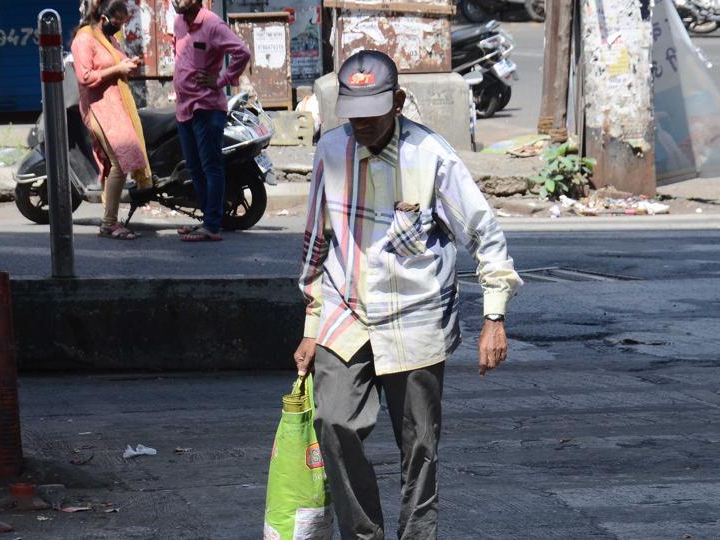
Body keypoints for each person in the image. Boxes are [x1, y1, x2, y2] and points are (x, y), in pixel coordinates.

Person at [293, 50, 523, 539]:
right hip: (344, 311)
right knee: (333, 423)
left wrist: (494, 317)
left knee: (419, 446)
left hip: (416, 319)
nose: (362, 126)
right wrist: (311, 325)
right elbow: (316, 240)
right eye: (353, 115)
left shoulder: (432, 155)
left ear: (397, 103)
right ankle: (364, 534)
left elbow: (484, 233)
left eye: (372, 115)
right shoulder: (330, 151)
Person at [71, 0, 152, 240]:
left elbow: (115, 64)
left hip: (116, 105)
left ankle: (110, 218)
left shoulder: (108, 38)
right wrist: (117, 70)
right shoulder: (84, 39)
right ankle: (109, 223)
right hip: (98, 108)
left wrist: (127, 65)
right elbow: (85, 76)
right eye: (117, 23)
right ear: (104, 18)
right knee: (119, 163)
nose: (120, 29)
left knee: (116, 165)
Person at [172, 0, 251, 242]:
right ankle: (208, 221)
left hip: (206, 107)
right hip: (184, 107)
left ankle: (213, 225)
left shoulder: (213, 24)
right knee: (194, 168)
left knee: (211, 168)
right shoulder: (178, 22)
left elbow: (242, 52)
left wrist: (222, 79)